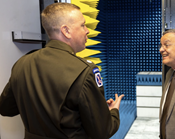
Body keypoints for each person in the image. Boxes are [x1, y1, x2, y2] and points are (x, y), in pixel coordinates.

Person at [0, 3, 124, 139]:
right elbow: (103, 131)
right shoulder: (85, 71)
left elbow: (6, 109)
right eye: (82, 25)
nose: (87, 30)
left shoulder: (22, 64)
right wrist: (113, 112)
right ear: (66, 31)